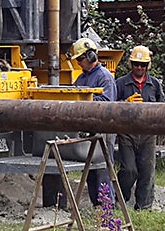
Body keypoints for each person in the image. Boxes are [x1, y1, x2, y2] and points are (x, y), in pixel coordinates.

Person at [42, 38, 117, 209]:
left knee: (102, 167)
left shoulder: (104, 77)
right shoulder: (83, 77)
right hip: (90, 129)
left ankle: (107, 205)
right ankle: (96, 204)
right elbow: (75, 95)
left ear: (90, 56)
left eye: (80, 59)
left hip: (103, 129)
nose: (78, 63)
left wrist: (83, 100)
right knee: (91, 168)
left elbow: (106, 102)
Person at [114, 45, 164, 210]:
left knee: (147, 171)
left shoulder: (155, 85)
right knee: (129, 170)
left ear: (148, 65)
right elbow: (110, 108)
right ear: (131, 64)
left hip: (148, 134)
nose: (139, 67)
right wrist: (124, 104)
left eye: (143, 65)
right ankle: (120, 200)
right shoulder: (120, 84)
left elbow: (163, 107)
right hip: (127, 134)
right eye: (136, 64)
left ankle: (144, 206)